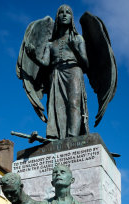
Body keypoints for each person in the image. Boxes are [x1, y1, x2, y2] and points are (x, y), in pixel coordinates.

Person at [25, 4, 89, 139]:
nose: (64, 15)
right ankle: (56, 136)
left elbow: (86, 64)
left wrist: (75, 48)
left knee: (74, 104)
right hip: (55, 74)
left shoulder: (78, 39)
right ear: (57, 17)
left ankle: (72, 137)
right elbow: (45, 63)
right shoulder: (50, 44)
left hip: (73, 71)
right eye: (61, 12)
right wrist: (33, 56)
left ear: (72, 18)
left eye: (68, 13)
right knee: (55, 106)